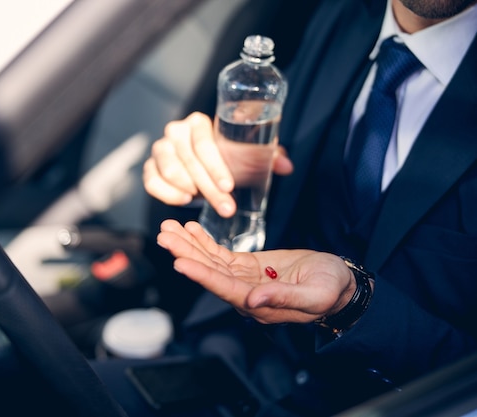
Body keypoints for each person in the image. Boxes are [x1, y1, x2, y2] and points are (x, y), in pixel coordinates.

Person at [140, 0, 477, 415]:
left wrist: (354, 304)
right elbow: (268, 177)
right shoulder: (339, 16)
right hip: (232, 362)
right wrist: (197, 173)